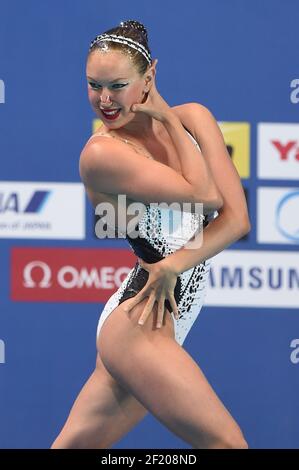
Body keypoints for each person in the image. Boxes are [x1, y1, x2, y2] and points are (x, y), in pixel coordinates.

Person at [51, 19, 250, 449]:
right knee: (228, 444)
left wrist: (175, 265)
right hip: (139, 320)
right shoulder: (102, 154)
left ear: (149, 77)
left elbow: (237, 222)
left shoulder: (195, 117)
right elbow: (205, 197)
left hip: (168, 313)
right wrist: (166, 118)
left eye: (117, 85)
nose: (104, 100)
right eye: (93, 85)